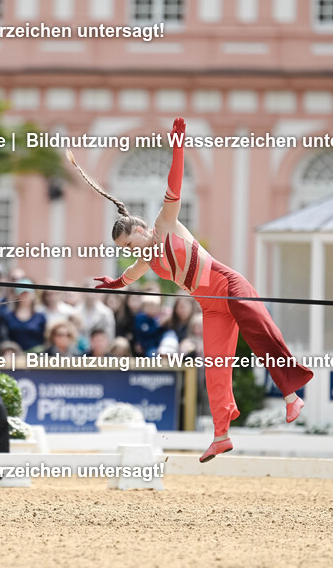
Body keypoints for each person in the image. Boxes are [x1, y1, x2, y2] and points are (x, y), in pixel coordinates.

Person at [71, 117, 314, 462]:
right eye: (125, 249)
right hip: (213, 306)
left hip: (229, 285)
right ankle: (220, 435)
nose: (131, 250)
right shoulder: (146, 261)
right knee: (214, 366)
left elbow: (175, 184)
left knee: (259, 333)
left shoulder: (165, 224)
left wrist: (179, 145)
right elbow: (128, 277)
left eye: (131, 242)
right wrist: (113, 283)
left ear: (141, 228)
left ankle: (292, 396)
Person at [2, 279, 46, 351]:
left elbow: (44, 340)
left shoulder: (40, 317)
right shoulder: (8, 317)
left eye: (28, 294)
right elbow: (5, 339)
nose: (25, 297)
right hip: (14, 356)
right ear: (17, 296)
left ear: (33, 295)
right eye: (22, 294)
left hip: (35, 357)